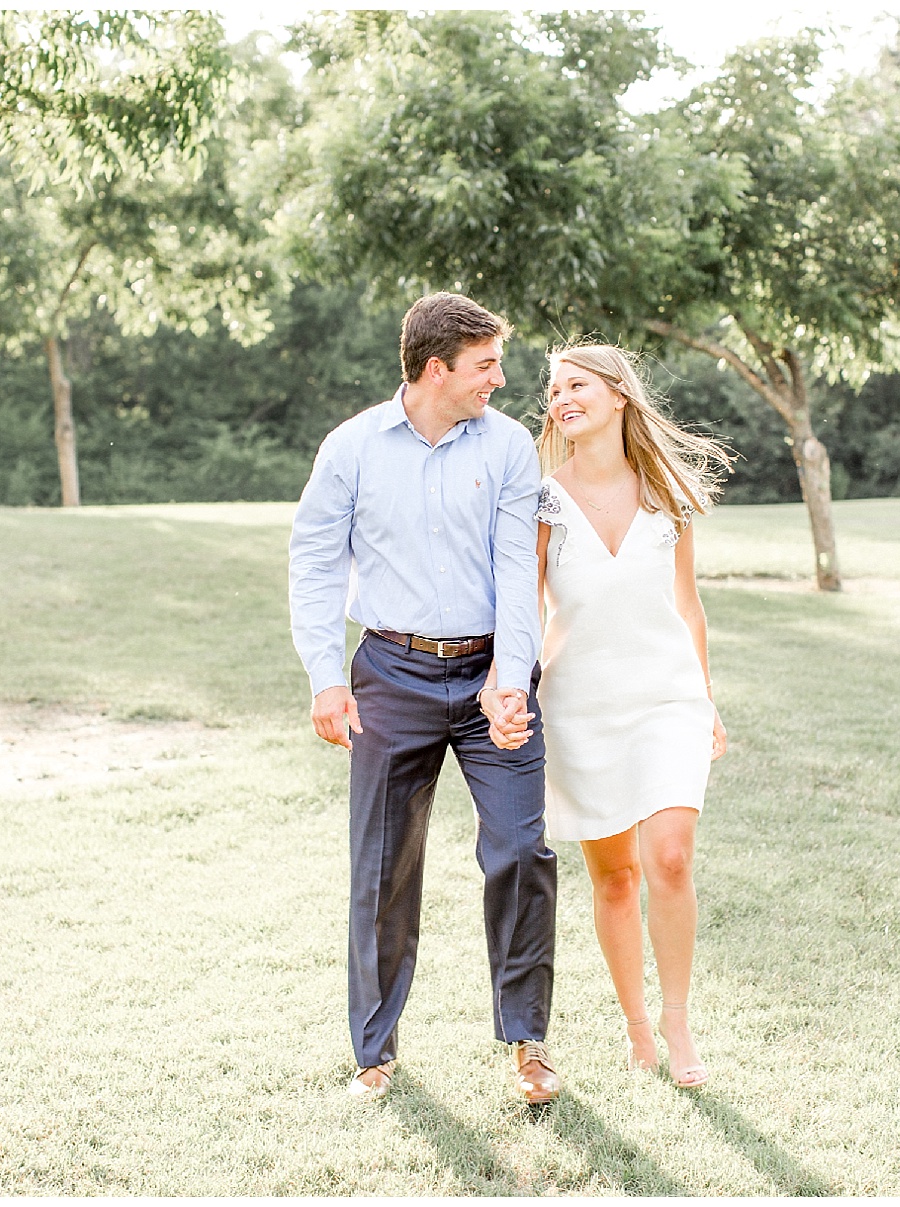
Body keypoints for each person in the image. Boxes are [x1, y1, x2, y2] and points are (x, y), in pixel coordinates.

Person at [287, 292, 561, 1105]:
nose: (500, 380)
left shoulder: (509, 447)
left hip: (491, 675)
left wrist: (511, 681)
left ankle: (527, 1042)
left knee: (520, 850)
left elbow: (519, 569)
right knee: (382, 868)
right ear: (435, 368)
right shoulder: (352, 448)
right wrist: (324, 677)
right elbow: (313, 563)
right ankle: (374, 1052)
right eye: (485, 366)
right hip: (389, 676)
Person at [487, 343, 729, 1088]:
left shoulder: (668, 493)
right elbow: (523, 606)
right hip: (579, 706)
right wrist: (506, 684)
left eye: (577, 384)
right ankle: (635, 1027)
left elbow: (688, 606)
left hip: (668, 698)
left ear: (619, 395)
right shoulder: (541, 498)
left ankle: (678, 1020)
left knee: (670, 855)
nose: (560, 397)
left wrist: (708, 700)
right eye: (553, 388)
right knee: (616, 876)